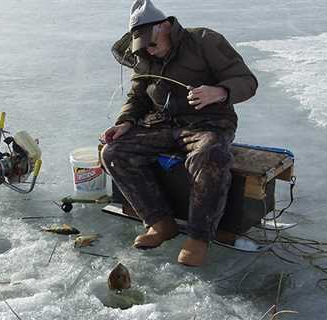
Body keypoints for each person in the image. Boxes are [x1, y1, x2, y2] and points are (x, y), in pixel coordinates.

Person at [100, 0, 258, 267]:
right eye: (143, 47)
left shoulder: (205, 41)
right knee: (114, 152)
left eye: (151, 44)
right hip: (161, 123)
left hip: (208, 122)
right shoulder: (145, 56)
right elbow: (138, 95)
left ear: (164, 27)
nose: (148, 51)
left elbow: (247, 81)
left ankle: (198, 237)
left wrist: (219, 92)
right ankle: (160, 223)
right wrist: (125, 121)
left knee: (209, 155)